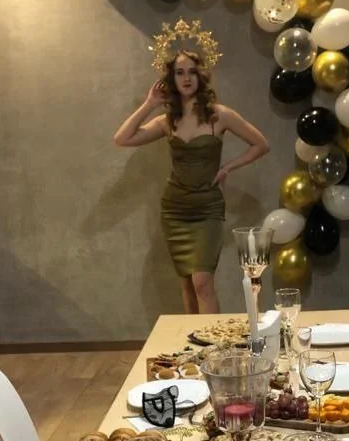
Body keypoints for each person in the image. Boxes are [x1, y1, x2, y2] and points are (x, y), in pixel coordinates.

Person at [114, 49, 269, 314]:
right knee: (187, 285)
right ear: (171, 79)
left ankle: (212, 340)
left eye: (192, 72)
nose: (186, 78)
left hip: (208, 209)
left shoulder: (220, 115)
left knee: (202, 283)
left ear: (201, 76)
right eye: (179, 73)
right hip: (175, 210)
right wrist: (149, 104)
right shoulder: (167, 121)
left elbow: (261, 144)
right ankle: (195, 339)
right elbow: (122, 138)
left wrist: (228, 167)